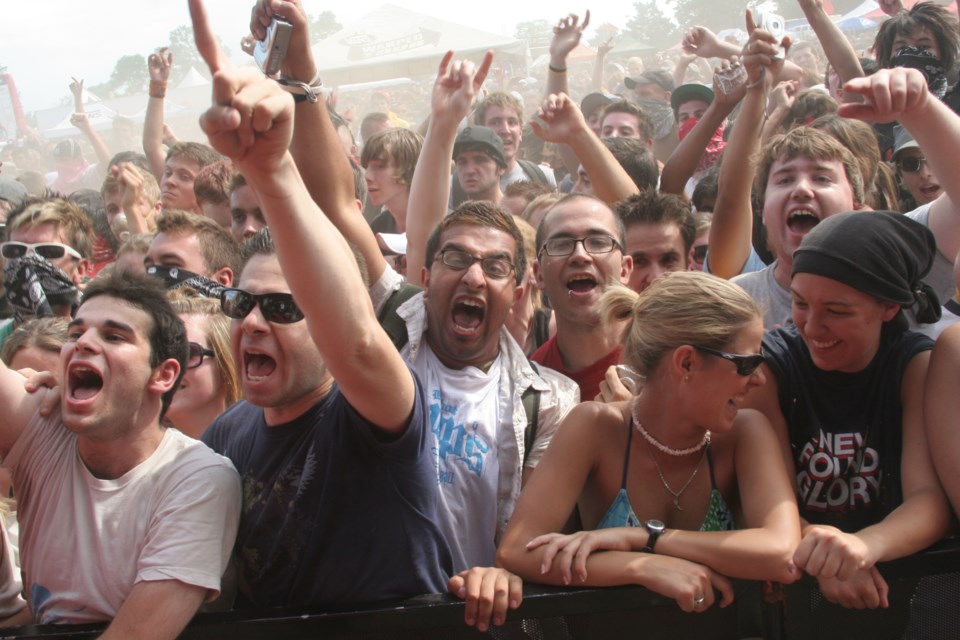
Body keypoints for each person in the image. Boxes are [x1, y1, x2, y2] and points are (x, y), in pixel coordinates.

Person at [191, 0, 452, 607]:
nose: (253, 321)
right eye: (242, 304)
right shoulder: (226, 436)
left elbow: (359, 343)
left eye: (283, 308)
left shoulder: (376, 415)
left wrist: (272, 168)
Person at [498, 270, 800, 613]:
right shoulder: (595, 426)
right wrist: (641, 567)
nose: (759, 379)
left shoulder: (747, 432)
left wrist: (645, 539)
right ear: (686, 362)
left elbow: (783, 552)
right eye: (747, 364)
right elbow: (518, 549)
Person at [0, 270, 241, 634]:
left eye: (113, 336)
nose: (83, 343)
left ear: (162, 375)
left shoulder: (198, 478)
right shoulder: (44, 425)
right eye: (76, 334)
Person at [743, 211, 950, 611]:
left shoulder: (913, 367)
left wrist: (862, 547)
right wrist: (821, 552)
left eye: (837, 311)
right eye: (800, 304)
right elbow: (768, 504)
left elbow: (928, 499)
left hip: (889, 584)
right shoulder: (769, 366)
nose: (813, 327)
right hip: (792, 586)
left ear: (889, 308)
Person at [531, 193, 633, 399]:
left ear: (625, 269)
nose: (580, 255)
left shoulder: (667, 356)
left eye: (598, 242)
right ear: (538, 274)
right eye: (561, 245)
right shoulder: (531, 387)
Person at [166, 295, 240, 439]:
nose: (168, 363)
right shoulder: (130, 455)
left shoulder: (250, 453)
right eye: (158, 351)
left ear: (225, 363)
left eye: (187, 353)